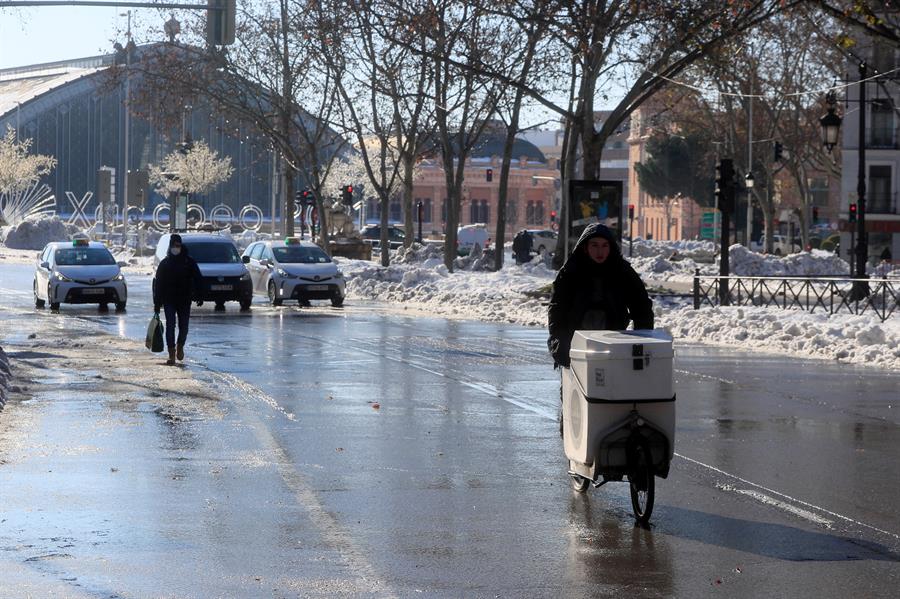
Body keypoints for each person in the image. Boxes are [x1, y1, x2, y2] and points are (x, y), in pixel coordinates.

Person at [547, 223, 654, 369]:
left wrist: (641, 341)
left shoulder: (622, 271)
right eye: (595, 245)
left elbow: (641, 306)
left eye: (604, 246)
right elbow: (557, 309)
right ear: (586, 247)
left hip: (614, 343)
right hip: (576, 344)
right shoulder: (570, 272)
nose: (600, 251)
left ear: (610, 247)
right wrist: (559, 342)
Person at [153, 234, 202, 366]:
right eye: (174, 245)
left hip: (185, 300)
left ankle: (180, 345)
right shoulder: (165, 263)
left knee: (184, 327)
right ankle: (171, 354)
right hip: (169, 300)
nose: (176, 248)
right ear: (170, 246)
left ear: (181, 246)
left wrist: (199, 295)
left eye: (178, 245)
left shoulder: (189, 262)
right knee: (170, 326)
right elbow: (158, 285)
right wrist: (157, 304)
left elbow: (198, 279)